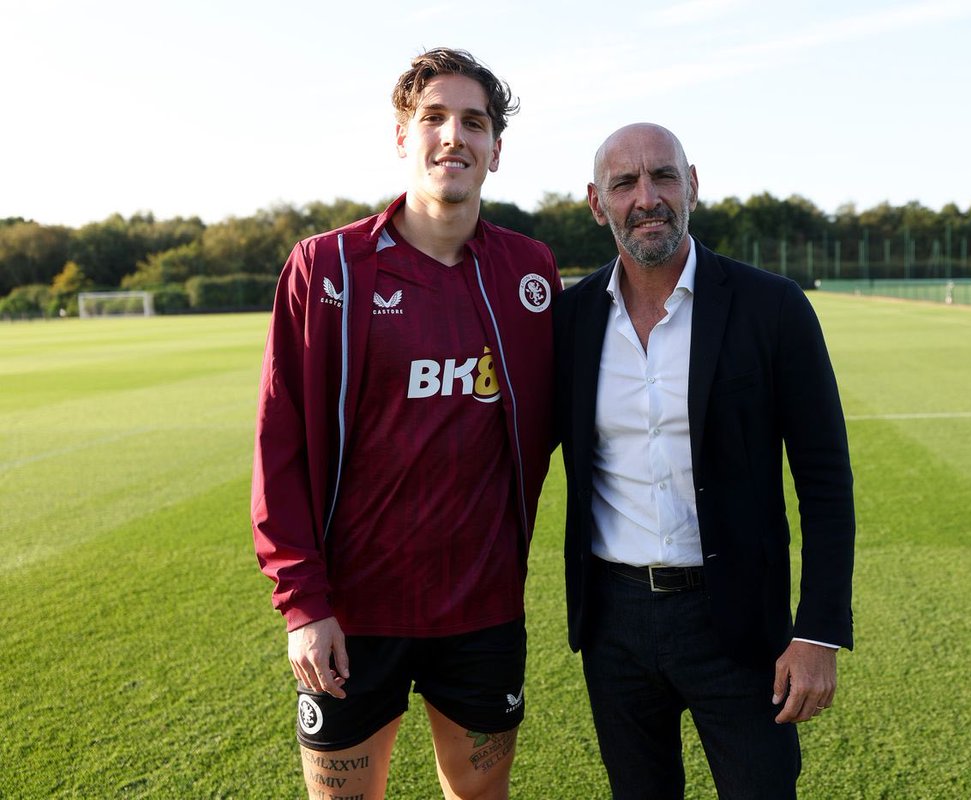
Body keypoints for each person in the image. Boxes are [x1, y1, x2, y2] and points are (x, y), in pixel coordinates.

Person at [251, 48, 559, 800]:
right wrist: (303, 605)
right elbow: (280, 443)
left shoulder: (531, 274)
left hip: (483, 609)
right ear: (401, 137)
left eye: (474, 123)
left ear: (495, 150)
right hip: (353, 616)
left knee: (480, 795)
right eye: (434, 118)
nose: (453, 136)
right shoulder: (328, 269)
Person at [553, 123, 855, 799]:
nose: (647, 197)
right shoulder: (570, 320)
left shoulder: (772, 307)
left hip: (740, 625)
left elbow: (826, 481)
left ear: (692, 184)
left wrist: (820, 631)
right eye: (624, 183)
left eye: (663, 176)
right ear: (597, 203)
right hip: (614, 622)